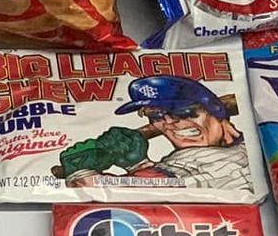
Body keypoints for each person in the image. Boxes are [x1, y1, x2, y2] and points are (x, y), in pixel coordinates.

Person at [56, 75, 253, 194]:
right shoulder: (246, 144)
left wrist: (81, 174)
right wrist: (139, 165)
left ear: (216, 109)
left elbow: (125, 193)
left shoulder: (203, 158)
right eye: (156, 115)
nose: (168, 123)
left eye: (181, 111)